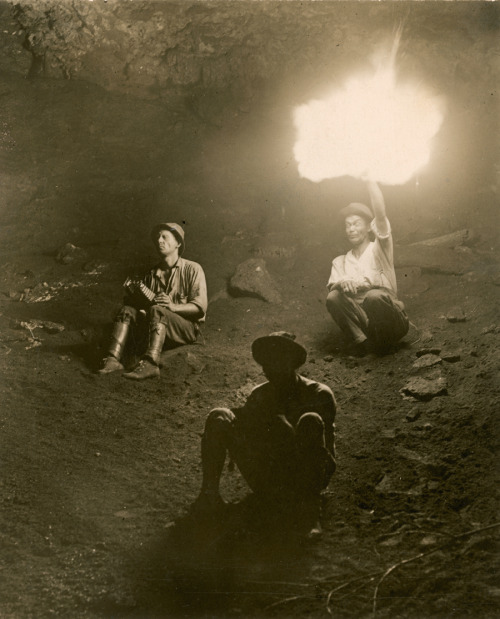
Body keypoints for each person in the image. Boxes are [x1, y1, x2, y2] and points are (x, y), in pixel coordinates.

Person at [194, 332, 336, 537]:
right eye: (267, 364)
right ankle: (209, 497)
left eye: (277, 362)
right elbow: (252, 444)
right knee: (219, 417)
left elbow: (325, 459)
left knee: (310, 420)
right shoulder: (260, 395)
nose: (270, 370)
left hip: (304, 480)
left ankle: (309, 513)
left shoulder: (318, 394)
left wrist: (282, 425)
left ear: (291, 363)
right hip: (268, 475)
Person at [99, 222, 207, 380]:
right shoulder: (151, 275)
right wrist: (135, 297)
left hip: (186, 329)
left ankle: (150, 363)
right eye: (157, 237)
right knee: (126, 310)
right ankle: (113, 359)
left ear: (178, 243)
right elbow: (145, 309)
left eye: (165, 237)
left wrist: (172, 306)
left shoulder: (193, 269)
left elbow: (200, 307)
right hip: (158, 327)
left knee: (158, 310)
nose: (159, 241)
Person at [326, 178, 409, 356]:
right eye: (347, 225)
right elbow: (332, 288)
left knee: (373, 296)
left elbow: (380, 215)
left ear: (369, 227)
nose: (351, 229)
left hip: (391, 321)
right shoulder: (340, 261)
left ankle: (387, 344)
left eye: (356, 223)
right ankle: (363, 343)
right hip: (365, 324)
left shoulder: (380, 249)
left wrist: (370, 180)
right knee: (333, 296)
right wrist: (343, 282)